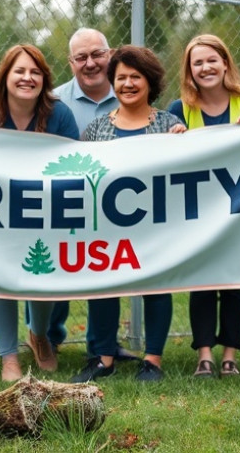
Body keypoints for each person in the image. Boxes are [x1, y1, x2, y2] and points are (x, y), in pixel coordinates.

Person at [71, 45, 186, 383]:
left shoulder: (169, 124)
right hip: (107, 225)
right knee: (103, 284)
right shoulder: (95, 129)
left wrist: (184, 142)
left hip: (155, 225)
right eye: (121, 78)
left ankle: (153, 360)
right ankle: (103, 357)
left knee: (156, 286)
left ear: (149, 81)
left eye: (136, 77)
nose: (128, 84)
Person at [0, 44, 79, 381]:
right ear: (6, 76)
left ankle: (39, 335)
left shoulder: (60, 114)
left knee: (40, 274)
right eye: (20, 71)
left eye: (35, 72)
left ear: (44, 79)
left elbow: (71, 163)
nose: (27, 78)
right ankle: (9, 356)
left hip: (43, 211)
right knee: (1, 279)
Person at [167, 34, 240, 378]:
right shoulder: (178, 108)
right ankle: (204, 356)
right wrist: (174, 140)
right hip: (197, 210)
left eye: (212, 60)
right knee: (202, 282)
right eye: (197, 63)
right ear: (189, 71)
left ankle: (230, 356)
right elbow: (165, 163)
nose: (205, 67)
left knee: (232, 282)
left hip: (239, 207)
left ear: (225, 62)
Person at [47, 28, 138, 362]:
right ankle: (47, 337)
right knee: (55, 269)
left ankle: (104, 344)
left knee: (109, 271)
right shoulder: (53, 101)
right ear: (70, 62)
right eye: (81, 57)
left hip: (114, 203)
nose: (90, 63)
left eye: (97, 54)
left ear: (110, 54)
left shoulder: (131, 92)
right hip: (66, 200)